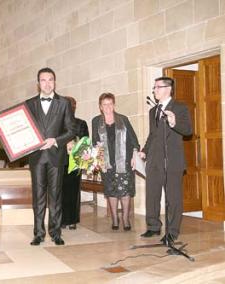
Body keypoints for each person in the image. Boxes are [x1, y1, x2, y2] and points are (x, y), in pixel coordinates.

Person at [24, 67, 75, 246]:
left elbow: (71, 130)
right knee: (38, 197)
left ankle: (55, 232)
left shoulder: (64, 103)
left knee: (56, 196)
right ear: (38, 84)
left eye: (50, 80)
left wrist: (55, 140)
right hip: (37, 157)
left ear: (55, 82)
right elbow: (22, 129)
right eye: (43, 80)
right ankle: (38, 233)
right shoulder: (29, 104)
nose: (47, 83)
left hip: (56, 156)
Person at [139, 77, 192, 244]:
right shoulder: (153, 110)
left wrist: (174, 121)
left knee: (173, 198)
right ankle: (153, 226)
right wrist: (144, 152)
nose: (154, 90)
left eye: (157, 87)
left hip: (172, 161)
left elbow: (188, 130)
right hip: (154, 160)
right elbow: (153, 135)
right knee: (152, 194)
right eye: (154, 87)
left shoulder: (180, 107)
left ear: (168, 89)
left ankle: (172, 232)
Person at [92, 93, 139, 231]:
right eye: (105, 104)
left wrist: (135, 153)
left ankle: (125, 218)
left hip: (124, 160)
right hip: (107, 162)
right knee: (111, 191)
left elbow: (133, 138)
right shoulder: (96, 121)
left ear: (114, 105)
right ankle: (114, 218)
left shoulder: (123, 119)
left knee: (125, 191)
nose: (108, 106)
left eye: (110, 103)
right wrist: (95, 157)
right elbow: (94, 140)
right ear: (100, 107)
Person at [61, 96, 88, 230]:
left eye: (71, 106)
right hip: (59, 162)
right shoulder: (57, 124)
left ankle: (72, 220)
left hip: (74, 162)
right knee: (59, 192)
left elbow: (85, 143)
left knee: (73, 192)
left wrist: (75, 144)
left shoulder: (80, 123)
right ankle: (60, 220)